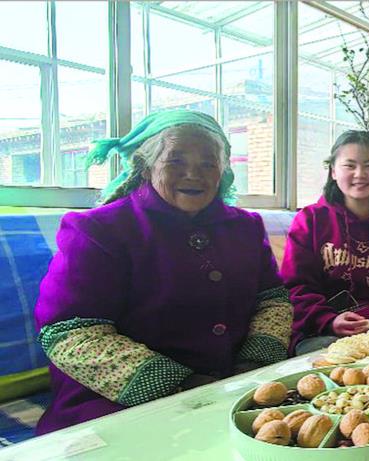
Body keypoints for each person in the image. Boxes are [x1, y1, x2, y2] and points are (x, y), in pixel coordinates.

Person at [34, 110, 292, 434]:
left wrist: (253, 364)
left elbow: (273, 300)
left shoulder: (245, 227)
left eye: (208, 163)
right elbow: (70, 332)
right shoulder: (99, 230)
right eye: (175, 161)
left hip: (236, 387)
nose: (193, 174)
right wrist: (179, 386)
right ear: (146, 167)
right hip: (121, 404)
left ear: (223, 172)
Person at [282, 130, 369, 355]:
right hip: (320, 332)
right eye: (349, 165)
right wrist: (328, 320)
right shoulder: (310, 220)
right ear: (333, 171)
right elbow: (295, 287)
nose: (360, 174)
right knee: (340, 361)